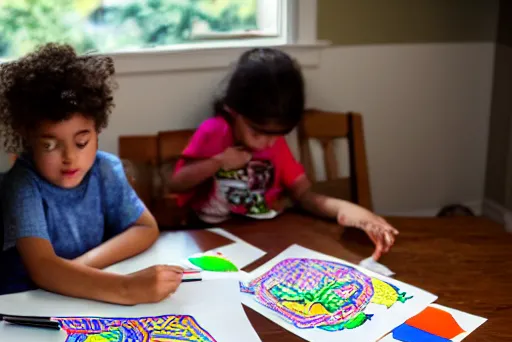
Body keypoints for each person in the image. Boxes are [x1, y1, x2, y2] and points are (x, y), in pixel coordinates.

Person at [169, 48, 398, 260]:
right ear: (233, 111)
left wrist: (347, 210)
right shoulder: (215, 132)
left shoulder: (276, 144)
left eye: (277, 135)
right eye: (257, 132)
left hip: (266, 238)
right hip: (213, 237)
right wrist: (218, 162)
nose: (267, 143)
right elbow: (177, 184)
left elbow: (304, 195)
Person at [0, 43, 183, 303]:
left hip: (81, 294)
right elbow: (42, 267)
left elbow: (145, 227)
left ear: (97, 132)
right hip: (26, 302)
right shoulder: (23, 183)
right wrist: (127, 288)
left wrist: (83, 266)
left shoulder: (105, 168)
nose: (69, 157)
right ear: (28, 140)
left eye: (82, 142)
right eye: (49, 145)